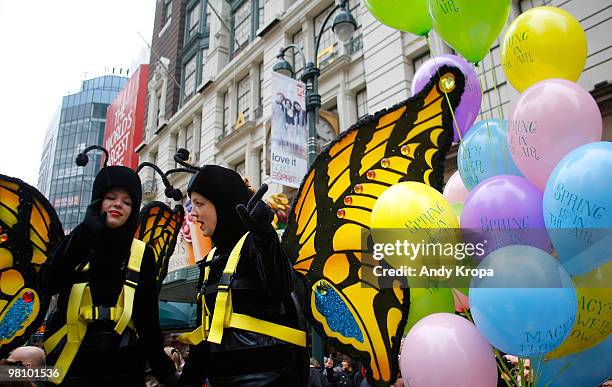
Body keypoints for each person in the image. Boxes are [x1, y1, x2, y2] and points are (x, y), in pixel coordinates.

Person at [41, 162, 177, 386]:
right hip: (71, 367)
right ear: (98, 202)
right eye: (111, 197)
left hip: (125, 371)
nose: (118, 205)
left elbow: (148, 321)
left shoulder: (143, 254)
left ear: (133, 210)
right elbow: (47, 283)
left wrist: (167, 375)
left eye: (127, 201)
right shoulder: (76, 241)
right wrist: (84, 234)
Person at [177, 163, 308, 386]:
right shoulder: (210, 260)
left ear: (223, 204)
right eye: (192, 205)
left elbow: (282, 285)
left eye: (199, 204)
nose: (193, 214)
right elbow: (203, 340)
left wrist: (265, 234)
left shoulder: (254, 244)